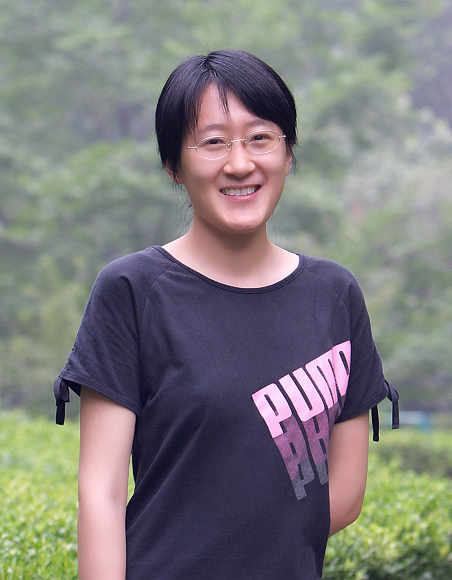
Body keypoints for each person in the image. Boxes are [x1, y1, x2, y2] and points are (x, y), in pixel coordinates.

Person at [54, 49, 398, 580]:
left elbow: (346, 493)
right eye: (213, 142)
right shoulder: (132, 291)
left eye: (260, 138)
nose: (240, 164)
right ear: (174, 166)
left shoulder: (335, 296)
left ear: (288, 153)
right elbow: (100, 493)